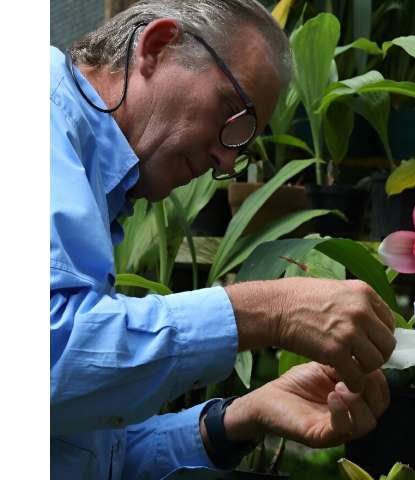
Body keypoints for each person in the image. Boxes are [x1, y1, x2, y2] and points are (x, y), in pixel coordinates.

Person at [50, 1, 396, 478]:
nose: (227, 163)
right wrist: (269, 309)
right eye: (232, 112)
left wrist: (239, 417)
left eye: (244, 141)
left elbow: (84, 449)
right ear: (157, 46)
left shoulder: (95, 186)